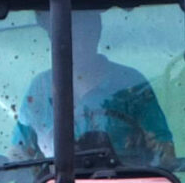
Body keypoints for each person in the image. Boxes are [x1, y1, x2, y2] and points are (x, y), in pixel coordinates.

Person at [11, 10, 175, 171]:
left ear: (97, 33)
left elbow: (164, 151)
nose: (80, 46)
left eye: (86, 35)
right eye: (72, 37)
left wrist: (159, 150)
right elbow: (19, 150)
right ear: (54, 38)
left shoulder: (130, 85)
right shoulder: (40, 89)